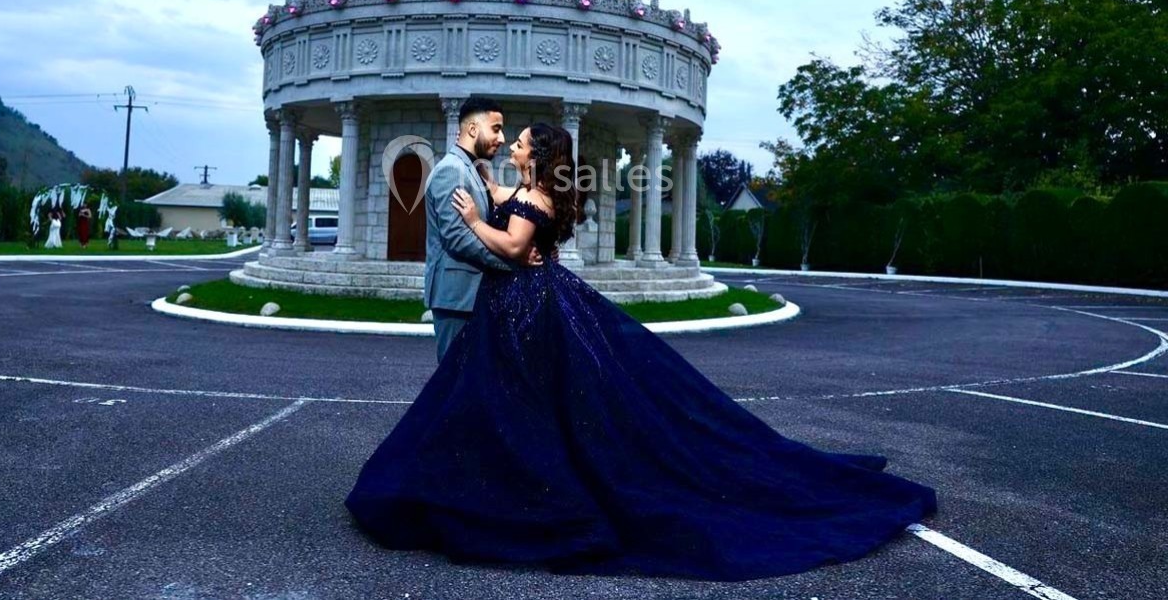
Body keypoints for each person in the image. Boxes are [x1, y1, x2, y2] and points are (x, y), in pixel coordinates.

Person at [345, 122, 937, 582]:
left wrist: (476, 219)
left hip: (526, 308)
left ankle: (529, 500)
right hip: (518, 304)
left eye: (520, 141)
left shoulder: (536, 200)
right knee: (504, 405)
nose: (512, 144)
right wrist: (477, 173)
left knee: (530, 405)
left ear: (536, 155)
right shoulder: (526, 188)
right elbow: (502, 196)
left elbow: (510, 243)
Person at [421, 96, 542, 363]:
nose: (501, 139)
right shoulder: (451, 171)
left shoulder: (474, 170)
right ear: (473, 129)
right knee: (455, 381)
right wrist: (514, 260)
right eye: (496, 129)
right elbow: (458, 239)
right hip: (456, 297)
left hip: (473, 296)